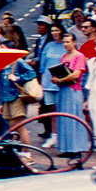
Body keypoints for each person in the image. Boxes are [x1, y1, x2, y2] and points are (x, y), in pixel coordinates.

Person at [51, 33, 90, 158]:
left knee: (74, 118)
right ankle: (67, 148)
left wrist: (61, 80)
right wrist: (56, 78)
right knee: (64, 119)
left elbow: (76, 74)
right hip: (63, 90)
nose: (66, 44)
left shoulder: (79, 56)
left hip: (73, 89)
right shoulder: (64, 56)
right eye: (64, 42)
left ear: (74, 42)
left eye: (68, 42)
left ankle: (77, 149)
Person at [0, 39, 37, 156]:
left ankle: (26, 153)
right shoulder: (3, 63)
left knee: (19, 126)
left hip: (16, 96)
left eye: (3, 48)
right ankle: (18, 150)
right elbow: (2, 84)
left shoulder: (18, 61)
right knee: (12, 126)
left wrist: (18, 78)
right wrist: (1, 102)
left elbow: (31, 73)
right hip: (7, 97)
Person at [33, 19, 66, 148]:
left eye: (57, 30)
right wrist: (41, 82)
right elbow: (42, 65)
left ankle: (64, 137)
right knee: (52, 109)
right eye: (52, 30)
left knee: (63, 110)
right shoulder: (48, 45)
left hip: (62, 82)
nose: (55, 33)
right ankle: (53, 136)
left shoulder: (65, 45)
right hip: (48, 82)